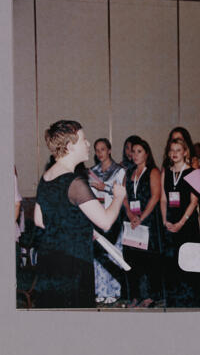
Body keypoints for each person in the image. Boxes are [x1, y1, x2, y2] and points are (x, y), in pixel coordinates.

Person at [33, 120, 126, 308]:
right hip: (73, 263)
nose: (88, 144)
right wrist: (118, 197)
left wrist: (80, 227)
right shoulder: (75, 182)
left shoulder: (46, 177)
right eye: (83, 139)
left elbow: (40, 220)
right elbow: (106, 222)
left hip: (50, 260)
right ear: (69, 146)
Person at [160, 138, 200, 307]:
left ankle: (191, 304)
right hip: (169, 224)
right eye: (172, 150)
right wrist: (164, 220)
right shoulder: (166, 172)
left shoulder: (194, 172)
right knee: (171, 265)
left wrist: (181, 222)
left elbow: (194, 201)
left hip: (186, 224)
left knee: (188, 265)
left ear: (185, 152)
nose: (174, 153)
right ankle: (173, 303)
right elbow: (163, 199)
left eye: (178, 150)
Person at [122, 138, 163, 308]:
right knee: (131, 259)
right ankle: (135, 295)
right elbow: (123, 196)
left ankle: (150, 296)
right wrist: (130, 214)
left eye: (139, 151)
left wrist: (141, 217)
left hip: (147, 222)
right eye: (133, 152)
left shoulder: (153, 171)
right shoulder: (129, 172)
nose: (135, 155)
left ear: (146, 154)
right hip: (131, 221)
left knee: (148, 261)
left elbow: (155, 197)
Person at [88, 138, 126, 305]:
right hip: (97, 215)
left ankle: (115, 290)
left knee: (113, 253)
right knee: (98, 254)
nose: (100, 153)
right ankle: (100, 290)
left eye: (103, 149)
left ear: (109, 150)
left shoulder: (119, 171)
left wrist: (106, 188)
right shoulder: (92, 171)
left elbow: (122, 192)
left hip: (113, 215)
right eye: (97, 150)